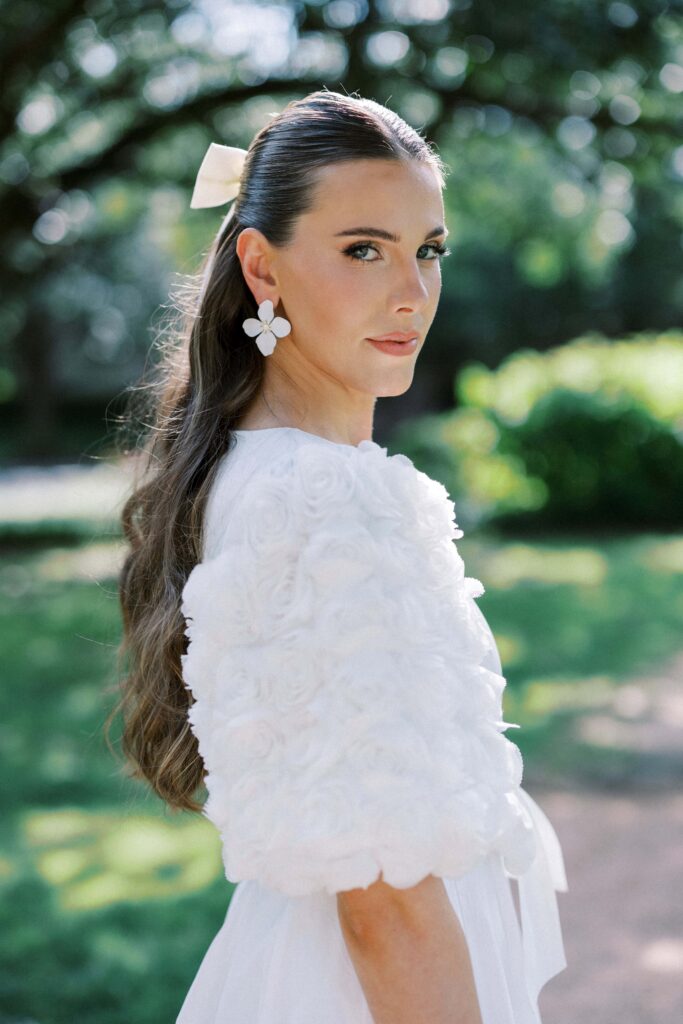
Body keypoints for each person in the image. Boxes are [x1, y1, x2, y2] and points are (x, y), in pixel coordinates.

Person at [111, 88, 568, 1024]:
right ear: (261, 267)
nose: (411, 291)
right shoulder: (315, 500)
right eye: (364, 249)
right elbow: (386, 902)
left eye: (427, 250)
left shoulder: (267, 473)